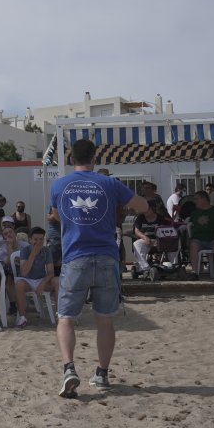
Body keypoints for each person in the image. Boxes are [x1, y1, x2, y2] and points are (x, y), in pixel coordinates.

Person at [50, 138, 147, 398]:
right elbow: (144, 206)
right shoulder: (109, 183)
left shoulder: (59, 185)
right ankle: (102, 374)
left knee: (66, 318)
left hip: (75, 258)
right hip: (106, 257)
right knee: (104, 320)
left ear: (71, 160)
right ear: (95, 159)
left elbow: (58, 215)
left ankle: (69, 367)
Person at [13, 227, 58, 329]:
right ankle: (22, 318)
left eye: (41, 239)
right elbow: (24, 273)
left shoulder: (46, 251)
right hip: (27, 280)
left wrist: (42, 283)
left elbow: (51, 272)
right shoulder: (25, 250)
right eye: (36, 239)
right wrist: (33, 254)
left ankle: (60, 315)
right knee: (19, 284)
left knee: (57, 281)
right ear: (30, 240)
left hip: (41, 279)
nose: (38, 242)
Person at [188, 191, 214, 280]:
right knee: (193, 244)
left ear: (203, 199)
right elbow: (189, 224)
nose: (194, 201)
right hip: (198, 239)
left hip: (213, 240)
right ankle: (194, 273)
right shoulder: (194, 212)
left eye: (196, 199)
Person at [132, 200, 172, 273]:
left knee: (174, 243)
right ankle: (145, 268)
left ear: (153, 209)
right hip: (145, 240)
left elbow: (166, 231)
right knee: (136, 244)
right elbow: (136, 231)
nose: (144, 211)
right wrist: (145, 238)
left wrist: (159, 240)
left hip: (159, 241)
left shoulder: (161, 218)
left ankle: (172, 265)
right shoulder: (140, 218)